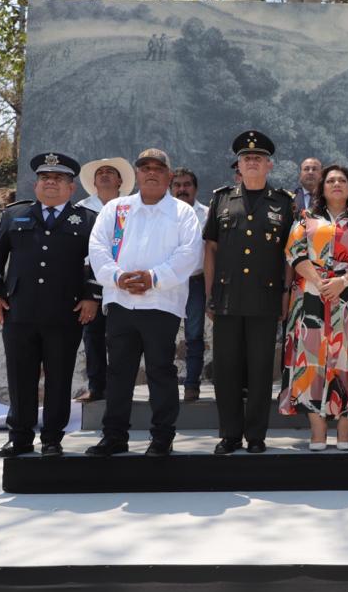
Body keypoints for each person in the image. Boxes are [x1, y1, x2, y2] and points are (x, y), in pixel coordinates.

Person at [86, 148, 202, 457]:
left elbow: (189, 254)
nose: (151, 172)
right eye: (145, 167)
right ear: (137, 174)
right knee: (118, 373)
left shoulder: (182, 213)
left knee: (160, 371)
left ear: (169, 175)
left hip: (161, 304)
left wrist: (153, 277)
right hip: (121, 303)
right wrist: (117, 277)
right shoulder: (117, 209)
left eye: (158, 168)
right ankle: (114, 436)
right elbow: (97, 247)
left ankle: (162, 437)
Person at [0, 152, 100, 458]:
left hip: (65, 312)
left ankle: (52, 438)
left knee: (59, 377)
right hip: (19, 310)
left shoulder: (87, 220)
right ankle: (19, 436)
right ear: (36, 185)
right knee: (20, 375)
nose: (51, 183)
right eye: (45, 178)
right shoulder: (14, 215)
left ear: (71, 188)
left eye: (59, 178)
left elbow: (97, 264)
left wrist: (91, 297)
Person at [278, 165, 348, 450]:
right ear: (322, 187)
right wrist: (320, 281)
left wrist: (343, 281)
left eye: (342, 180)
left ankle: (346, 427)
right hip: (311, 296)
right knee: (310, 358)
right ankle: (317, 427)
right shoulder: (305, 219)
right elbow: (294, 252)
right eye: (331, 180)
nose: (336, 184)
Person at [204, 130, 295, 455]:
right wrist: (209, 293)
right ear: (238, 166)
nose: (252, 161)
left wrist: (286, 294)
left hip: (265, 298)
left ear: (269, 165)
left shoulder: (284, 203)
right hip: (227, 298)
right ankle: (229, 434)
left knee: (259, 371)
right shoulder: (222, 199)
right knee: (226, 370)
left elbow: (290, 253)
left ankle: (256, 436)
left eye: (257, 157)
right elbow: (211, 249)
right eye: (246, 158)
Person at [74, 157, 135, 402]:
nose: (106, 175)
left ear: (120, 180)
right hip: (91, 281)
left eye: (111, 172)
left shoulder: (132, 207)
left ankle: (122, 389)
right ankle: (97, 386)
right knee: (93, 335)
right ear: (94, 181)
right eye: (101, 172)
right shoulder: (81, 210)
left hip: (124, 280)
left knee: (124, 339)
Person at [170, 167, 210, 402]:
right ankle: (164, 385)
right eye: (177, 185)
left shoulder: (207, 213)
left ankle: (191, 385)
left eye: (187, 185)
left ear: (195, 188)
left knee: (194, 336)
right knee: (163, 335)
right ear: (170, 188)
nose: (182, 189)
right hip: (169, 281)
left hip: (195, 281)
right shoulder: (163, 214)